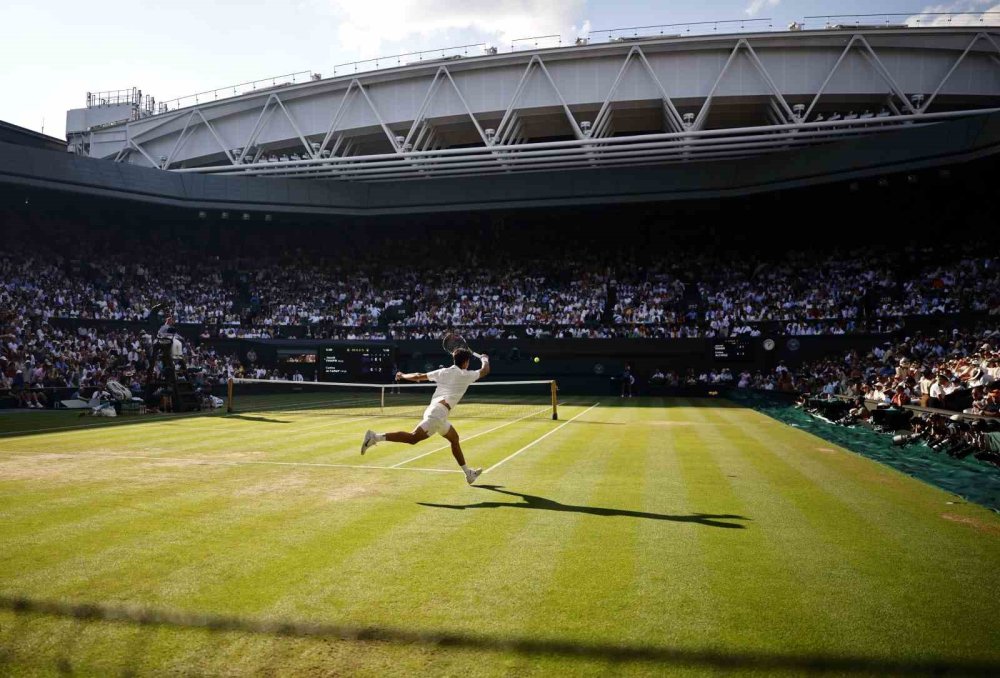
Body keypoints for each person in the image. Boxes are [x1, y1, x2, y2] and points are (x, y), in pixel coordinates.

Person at [360, 348, 490, 485]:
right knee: (413, 438)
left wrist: (402, 375)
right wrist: (484, 359)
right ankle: (375, 437)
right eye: (468, 362)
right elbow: (485, 371)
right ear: (465, 363)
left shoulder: (443, 372)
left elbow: (418, 376)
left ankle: (468, 474)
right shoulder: (466, 375)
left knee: (454, 439)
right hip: (437, 415)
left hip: (437, 413)